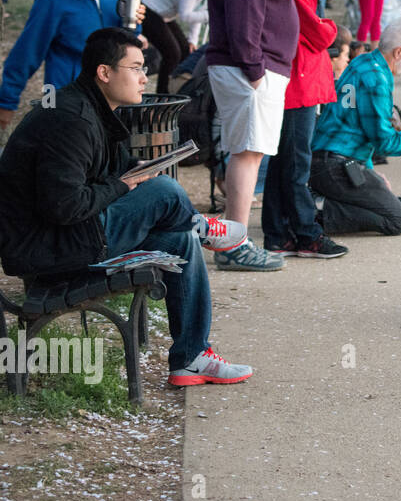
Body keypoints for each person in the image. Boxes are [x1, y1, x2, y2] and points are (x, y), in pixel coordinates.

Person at [0, 28, 254, 386]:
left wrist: (133, 175)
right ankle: (202, 225)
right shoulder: (72, 119)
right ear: (104, 73)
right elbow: (64, 206)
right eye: (135, 67)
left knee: (180, 241)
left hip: (70, 236)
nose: (144, 76)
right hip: (47, 249)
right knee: (165, 189)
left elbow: (109, 174)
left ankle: (191, 358)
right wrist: (123, 185)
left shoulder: (94, 110)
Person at [204, 0, 299, 272]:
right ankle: (234, 245)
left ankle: (233, 241)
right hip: (248, 67)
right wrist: (255, 68)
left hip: (246, 64)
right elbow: (245, 14)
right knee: (247, 153)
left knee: (248, 151)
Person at [310, 16, 401, 235]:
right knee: (397, 219)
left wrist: (370, 173)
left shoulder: (364, 61)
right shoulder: (377, 80)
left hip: (329, 160)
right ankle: (313, 211)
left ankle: (319, 201)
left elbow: (365, 132)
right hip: (335, 166)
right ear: (399, 52)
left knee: (386, 200)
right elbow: (385, 144)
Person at [0, 0, 145, 131]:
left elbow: (120, 43)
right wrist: (6, 102)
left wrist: (135, 22)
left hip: (108, 98)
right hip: (67, 98)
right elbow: (28, 51)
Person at [263, 0, 346, 259]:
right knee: (296, 161)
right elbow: (319, 31)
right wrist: (330, 27)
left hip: (293, 75)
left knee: (284, 160)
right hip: (298, 78)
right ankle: (305, 232)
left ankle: (278, 233)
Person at [136, 0, 207, 93]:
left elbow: (199, 12)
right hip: (147, 5)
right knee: (172, 53)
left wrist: (193, 40)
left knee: (186, 50)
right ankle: (162, 95)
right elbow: (185, 15)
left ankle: (177, 89)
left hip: (163, 13)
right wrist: (211, 15)